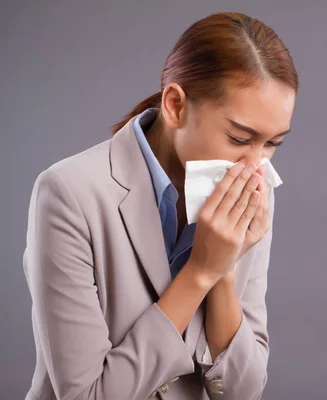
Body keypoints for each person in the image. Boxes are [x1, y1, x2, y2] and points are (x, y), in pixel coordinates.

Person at [22, 11, 298, 400]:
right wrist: (201, 271)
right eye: (239, 138)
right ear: (175, 105)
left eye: (272, 144)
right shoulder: (69, 193)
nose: (255, 166)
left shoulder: (253, 191)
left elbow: (242, 391)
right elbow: (87, 395)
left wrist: (224, 274)